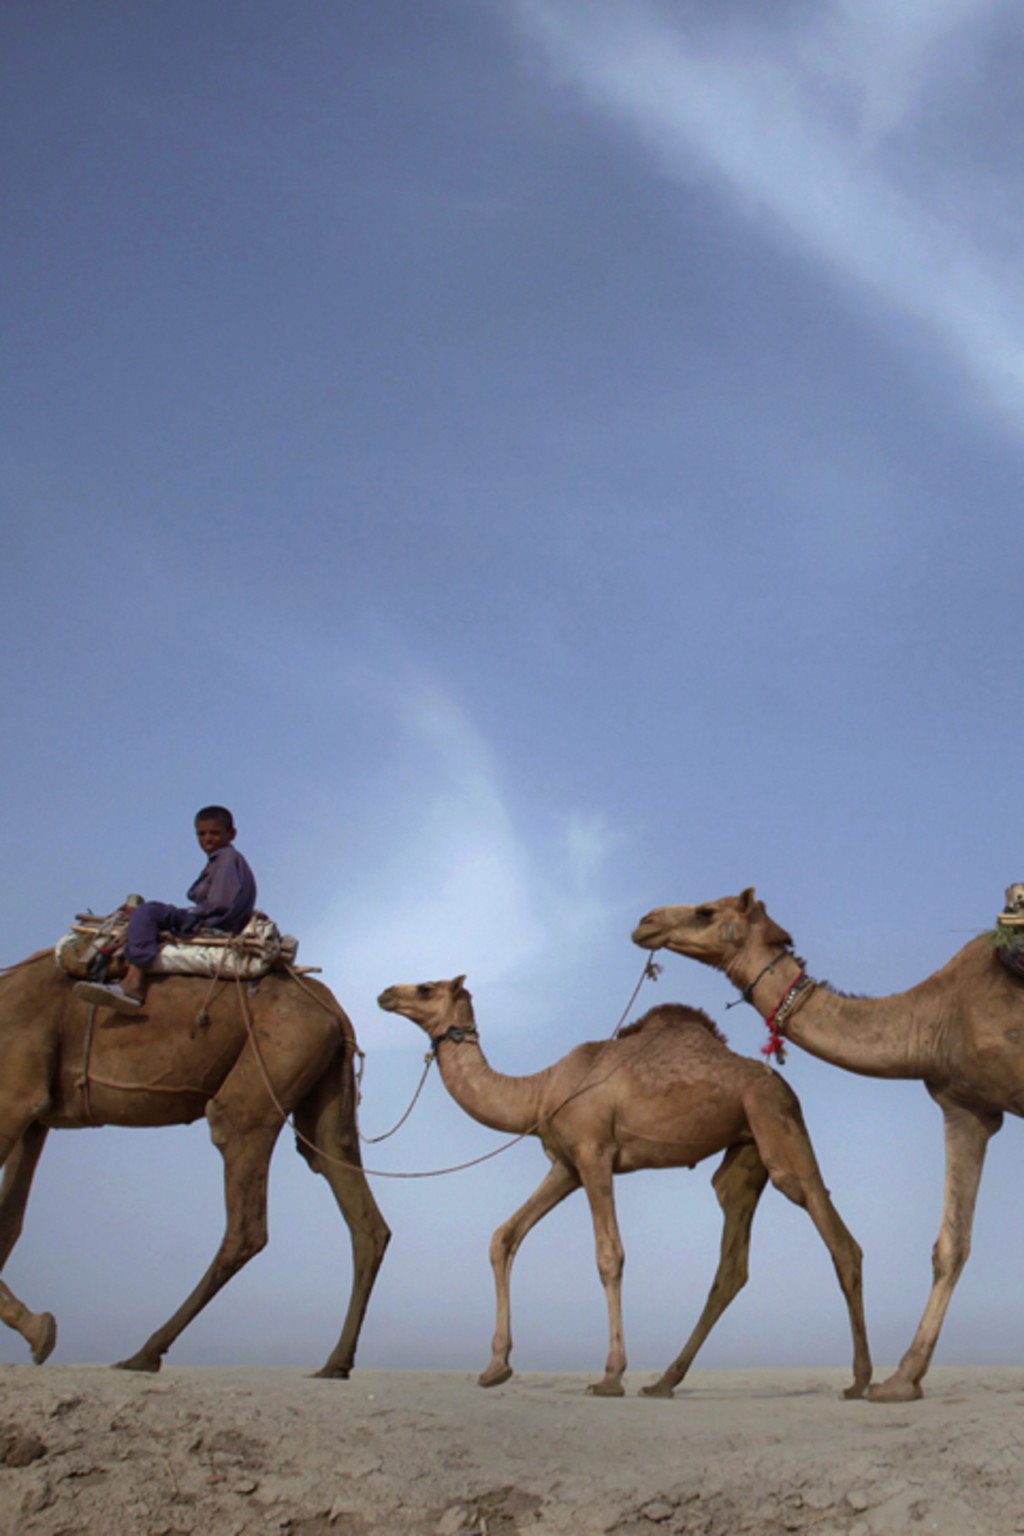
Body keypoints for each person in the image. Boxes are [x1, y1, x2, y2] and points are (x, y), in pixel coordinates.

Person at [75, 806, 257, 1013]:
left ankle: (133, 982)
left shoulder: (226, 859)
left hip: (213, 922)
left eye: (214, 833)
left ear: (231, 834)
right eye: (201, 834)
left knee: (148, 911)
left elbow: (220, 903)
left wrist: (190, 916)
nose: (207, 839)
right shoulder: (221, 860)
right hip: (213, 918)